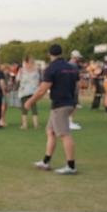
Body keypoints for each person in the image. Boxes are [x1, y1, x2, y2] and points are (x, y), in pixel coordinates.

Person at [25, 44, 79, 174]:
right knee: (50, 131)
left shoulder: (51, 69)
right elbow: (77, 88)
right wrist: (75, 104)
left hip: (60, 104)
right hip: (68, 103)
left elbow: (43, 90)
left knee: (64, 134)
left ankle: (71, 166)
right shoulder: (71, 67)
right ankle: (45, 161)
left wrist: (30, 101)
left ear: (50, 54)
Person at [17, 56, 40, 129]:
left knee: (24, 109)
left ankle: (25, 125)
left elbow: (17, 79)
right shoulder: (36, 70)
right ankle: (36, 124)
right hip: (33, 91)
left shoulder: (21, 70)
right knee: (34, 108)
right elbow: (38, 80)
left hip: (24, 91)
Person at [68, 50, 83, 130]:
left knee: (72, 105)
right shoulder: (74, 66)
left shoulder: (67, 64)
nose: (79, 59)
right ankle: (69, 122)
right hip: (73, 88)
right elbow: (76, 79)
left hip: (69, 88)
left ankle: (69, 122)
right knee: (73, 105)